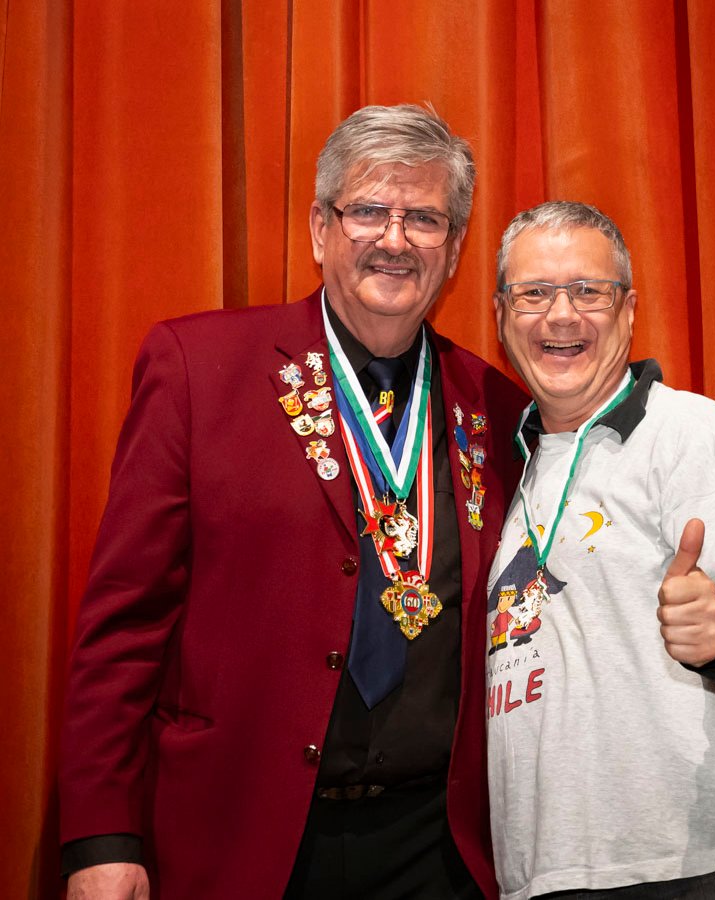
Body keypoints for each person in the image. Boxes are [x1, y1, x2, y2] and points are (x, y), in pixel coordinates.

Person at [59, 104, 527, 900]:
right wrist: (102, 837)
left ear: (453, 250)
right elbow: (125, 625)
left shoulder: (495, 406)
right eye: (368, 211)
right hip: (246, 839)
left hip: (437, 852)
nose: (395, 239)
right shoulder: (197, 369)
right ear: (319, 228)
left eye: (424, 218)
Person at [486, 201, 715, 900]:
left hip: (703, 867)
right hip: (544, 876)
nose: (561, 315)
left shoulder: (688, 431)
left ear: (629, 310)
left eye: (589, 291)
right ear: (502, 316)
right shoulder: (499, 470)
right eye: (534, 293)